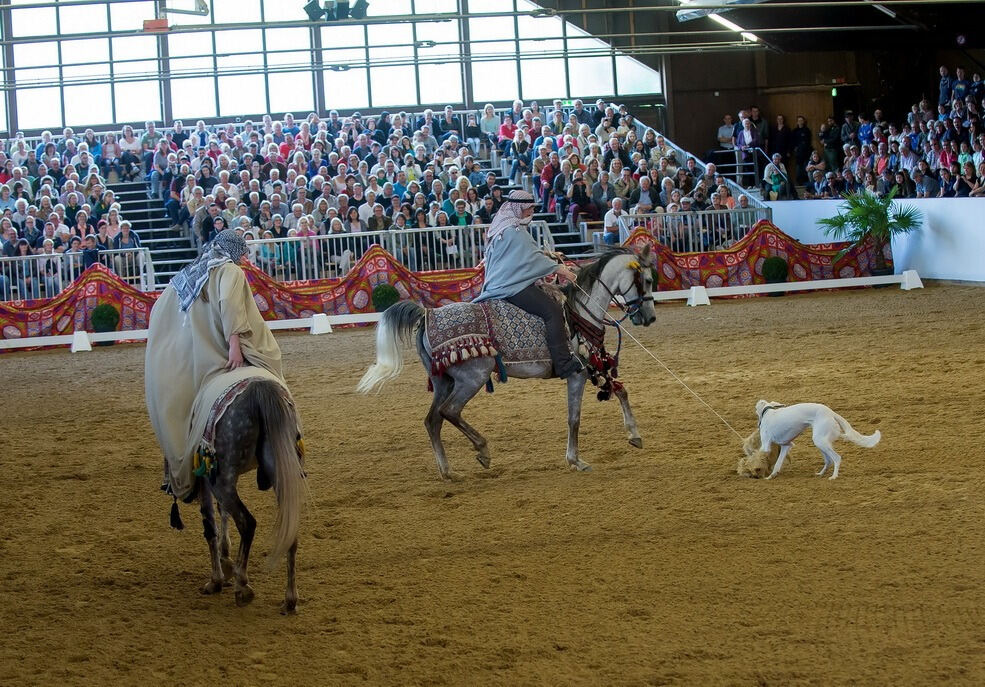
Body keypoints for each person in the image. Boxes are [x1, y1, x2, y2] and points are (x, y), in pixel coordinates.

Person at [145, 230, 285, 502]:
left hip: (191, 356)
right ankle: (283, 447)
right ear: (232, 251)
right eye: (242, 251)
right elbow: (229, 304)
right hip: (221, 349)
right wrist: (235, 343)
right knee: (272, 360)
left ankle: (172, 473)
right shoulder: (230, 271)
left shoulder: (190, 274)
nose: (245, 257)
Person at [473, 190, 582, 380]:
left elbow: (523, 257)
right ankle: (563, 363)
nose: (531, 212)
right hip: (512, 286)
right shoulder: (515, 231)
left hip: (499, 283)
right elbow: (531, 259)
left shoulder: (501, 226)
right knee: (553, 310)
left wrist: (546, 258)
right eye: (529, 208)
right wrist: (559, 269)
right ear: (519, 208)